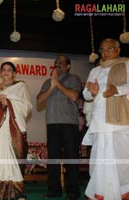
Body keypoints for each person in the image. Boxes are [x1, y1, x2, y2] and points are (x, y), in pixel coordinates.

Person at [82, 38, 129, 200]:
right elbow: (85, 94)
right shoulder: (95, 71)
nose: (106, 52)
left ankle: (122, 193)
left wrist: (118, 90)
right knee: (98, 160)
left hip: (120, 123)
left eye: (110, 49)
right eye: (103, 50)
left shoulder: (126, 65)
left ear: (118, 50)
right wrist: (92, 92)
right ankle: (100, 193)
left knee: (121, 161)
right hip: (99, 122)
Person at [0, 61, 32, 200]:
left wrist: (9, 103)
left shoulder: (20, 86)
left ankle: (17, 192)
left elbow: (27, 107)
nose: (6, 72)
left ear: (14, 73)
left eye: (9, 70)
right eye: (3, 70)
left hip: (13, 128)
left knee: (13, 159)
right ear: (0, 73)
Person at [36, 55, 81, 200]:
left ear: (68, 66)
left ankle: (73, 192)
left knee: (71, 158)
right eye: (56, 62)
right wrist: (52, 85)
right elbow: (39, 100)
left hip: (69, 124)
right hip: (52, 124)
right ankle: (54, 190)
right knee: (53, 158)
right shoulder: (48, 82)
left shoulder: (74, 79)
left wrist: (58, 83)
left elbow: (74, 96)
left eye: (61, 63)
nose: (58, 64)